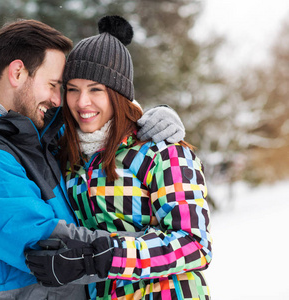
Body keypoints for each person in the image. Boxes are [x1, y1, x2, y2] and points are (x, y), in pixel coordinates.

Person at [0, 18, 186, 299]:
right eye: (54, 85)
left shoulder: (33, 130)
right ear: (17, 73)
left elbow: (105, 120)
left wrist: (152, 117)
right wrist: (162, 247)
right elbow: (52, 246)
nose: (58, 99)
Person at [25, 16, 212, 300]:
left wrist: (101, 257)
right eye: (72, 89)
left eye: (95, 89)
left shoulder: (162, 151)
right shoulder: (67, 158)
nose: (82, 102)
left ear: (119, 94)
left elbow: (194, 245)